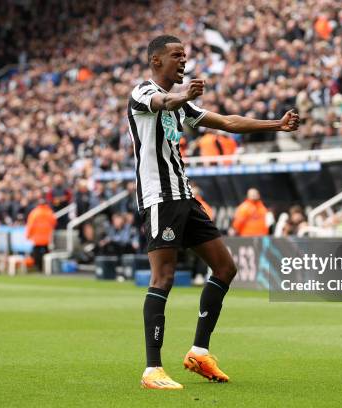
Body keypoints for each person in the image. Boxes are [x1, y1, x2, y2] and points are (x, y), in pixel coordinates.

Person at [127, 35, 299, 389]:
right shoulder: (141, 93)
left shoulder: (182, 106)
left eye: (185, 56)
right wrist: (183, 97)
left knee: (225, 267)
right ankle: (152, 370)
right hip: (160, 196)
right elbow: (161, 101)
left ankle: (199, 352)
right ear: (156, 61)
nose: (183, 61)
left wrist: (275, 125)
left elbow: (229, 122)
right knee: (163, 278)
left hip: (184, 197)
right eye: (176, 56)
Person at [26, 199, 57, 271]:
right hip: (47, 237)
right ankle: (46, 267)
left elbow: (31, 225)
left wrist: (28, 235)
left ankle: (38, 267)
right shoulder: (49, 212)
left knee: (36, 253)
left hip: (37, 237)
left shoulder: (35, 212)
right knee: (46, 252)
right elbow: (54, 223)